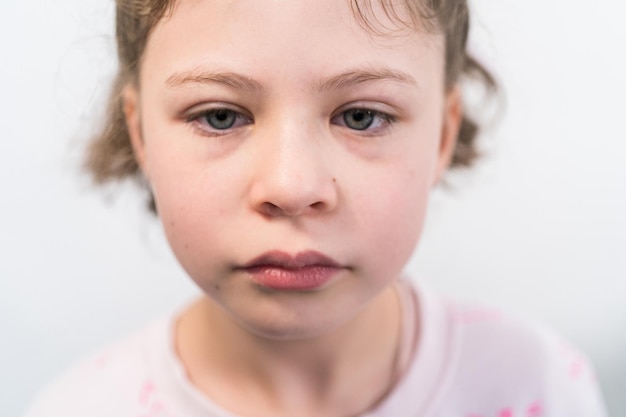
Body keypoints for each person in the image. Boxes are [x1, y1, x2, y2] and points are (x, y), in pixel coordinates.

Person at [24, 0, 607, 416]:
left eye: (361, 116)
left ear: (442, 135)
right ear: (142, 135)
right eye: (220, 116)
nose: (293, 185)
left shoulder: (540, 388)